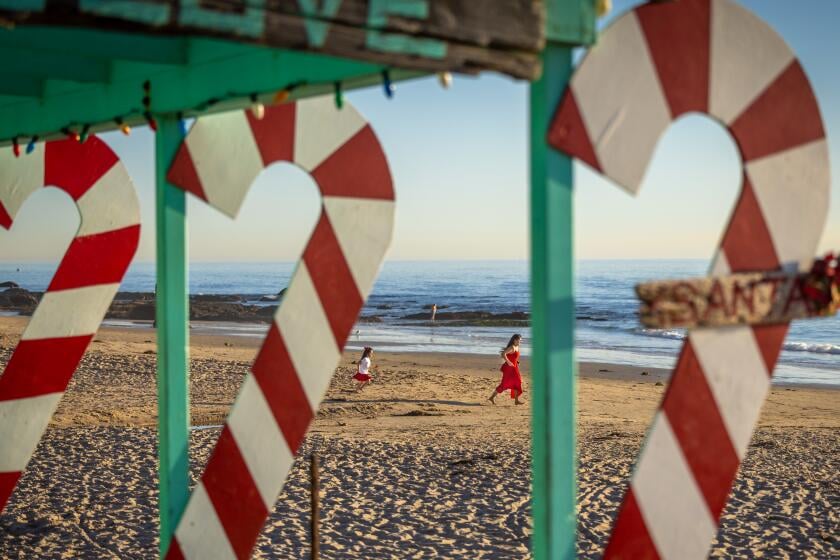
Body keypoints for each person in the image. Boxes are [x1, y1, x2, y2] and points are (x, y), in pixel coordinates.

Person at [489, 334, 524, 405]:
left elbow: (512, 356)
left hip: (514, 367)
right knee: (504, 384)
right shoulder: (512, 347)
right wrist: (508, 362)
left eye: (520, 340)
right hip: (509, 368)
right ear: (514, 340)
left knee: (517, 382)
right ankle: (492, 397)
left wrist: (516, 361)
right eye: (519, 340)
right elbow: (503, 354)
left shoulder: (517, 347)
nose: (520, 342)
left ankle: (516, 401)